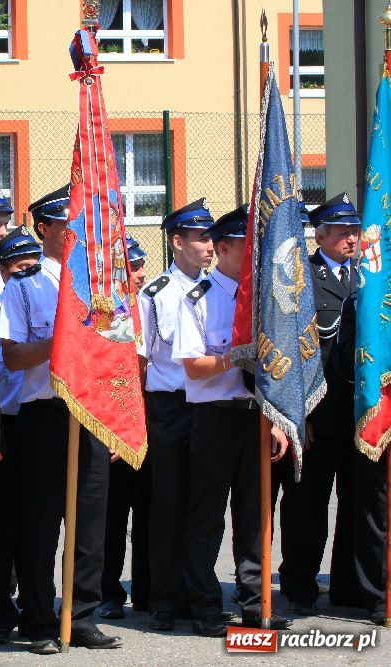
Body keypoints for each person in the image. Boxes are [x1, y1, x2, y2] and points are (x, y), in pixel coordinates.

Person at [0, 186, 120, 653]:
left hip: (89, 412)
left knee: (91, 521)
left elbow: (116, 356)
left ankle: (82, 615)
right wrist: (61, 343)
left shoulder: (99, 288)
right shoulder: (24, 287)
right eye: (64, 225)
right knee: (40, 523)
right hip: (44, 415)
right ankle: (39, 619)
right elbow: (12, 356)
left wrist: (113, 417)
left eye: (79, 226)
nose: (73, 233)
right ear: (44, 229)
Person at [172, 207, 292, 637]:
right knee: (206, 515)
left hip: (255, 417)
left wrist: (277, 419)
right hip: (214, 417)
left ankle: (255, 603)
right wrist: (231, 358)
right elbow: (192, 366)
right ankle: (204, 607)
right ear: (223, 248)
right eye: (247, 245)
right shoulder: (199, 298)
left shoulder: (263, 299)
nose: (254, 253)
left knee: (256, 513)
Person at [279, 193, 362, 615]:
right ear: (322, 234)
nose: (353, 239)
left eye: (356, 231)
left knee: (354, 503)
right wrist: (299, 413)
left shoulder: (366, 276)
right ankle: (299, 585)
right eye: (344, 232)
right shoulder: (302, 277)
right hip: (316, 413)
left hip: (357, 414)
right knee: (307, 505)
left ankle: (347, 587)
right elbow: (292, 350)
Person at [135, 200, 215, 632]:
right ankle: (164, 598)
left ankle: (198, 591)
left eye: (210, 238)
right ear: (177, 241)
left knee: (203, 505)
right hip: (169, 406)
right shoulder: (156, 294)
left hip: (210, 405)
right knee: (167, 503)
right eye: (201, 238)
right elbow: (141, 359)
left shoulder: (217, 289)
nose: (209, 246)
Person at [0, 225, 41, 646]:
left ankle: (35, 605)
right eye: (20, 267)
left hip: (34, 423)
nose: (29, 273)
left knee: (35, 520)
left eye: (34, 265)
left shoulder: (49, 306)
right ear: (0, 272)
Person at [98, 235, 152, 622]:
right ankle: (108, 592)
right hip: (112, 427)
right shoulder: (104, 315)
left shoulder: (152, 302)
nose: (139, 273)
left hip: (152, 424)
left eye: (141, 265)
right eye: (131, 267)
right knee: (111, 519)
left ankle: (148, 590)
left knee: (150, 515)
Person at [330, 294, 388, 625]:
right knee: (375, 509)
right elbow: (343, 358)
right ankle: (379, 595)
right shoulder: (363, 297)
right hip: (379, 415)